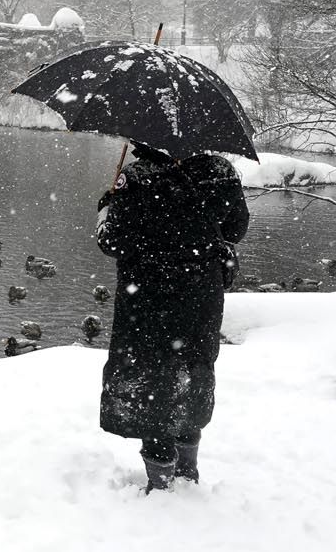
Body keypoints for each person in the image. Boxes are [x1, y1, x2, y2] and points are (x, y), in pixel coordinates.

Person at [95, 142, 249, 492]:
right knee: (190, 370)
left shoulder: (136, 177)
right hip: (200, 296)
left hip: (148, 297)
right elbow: (236, 231)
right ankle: (187, 471)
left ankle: (161, 479)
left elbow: (113, 243)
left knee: (152, 377)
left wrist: (105, 208)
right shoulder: (220, 171)